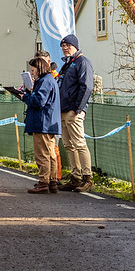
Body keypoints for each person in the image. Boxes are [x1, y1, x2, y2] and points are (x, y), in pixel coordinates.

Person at [57, 34, 95, 193]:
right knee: (68, 145)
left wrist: (78, 109)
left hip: (73, 111)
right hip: (63, 109)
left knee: (79, 143)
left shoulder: (82, 62)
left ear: (75, 46)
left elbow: (86, 86)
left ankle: (87, 177)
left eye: (68, 45)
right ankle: (75, 176)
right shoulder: (67, 63)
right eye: (63, 46)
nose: (65, 48)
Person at [19, 57, 61, 194]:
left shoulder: (44, 81)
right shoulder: (50, 80)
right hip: (50, 122)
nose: (32, 73)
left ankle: (43, 182)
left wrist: (24, 97)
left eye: (33, 70)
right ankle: (52, 181)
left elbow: (38, 101)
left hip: (42, 122)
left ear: (39, 68)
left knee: (42, 154)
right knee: (50, 154)